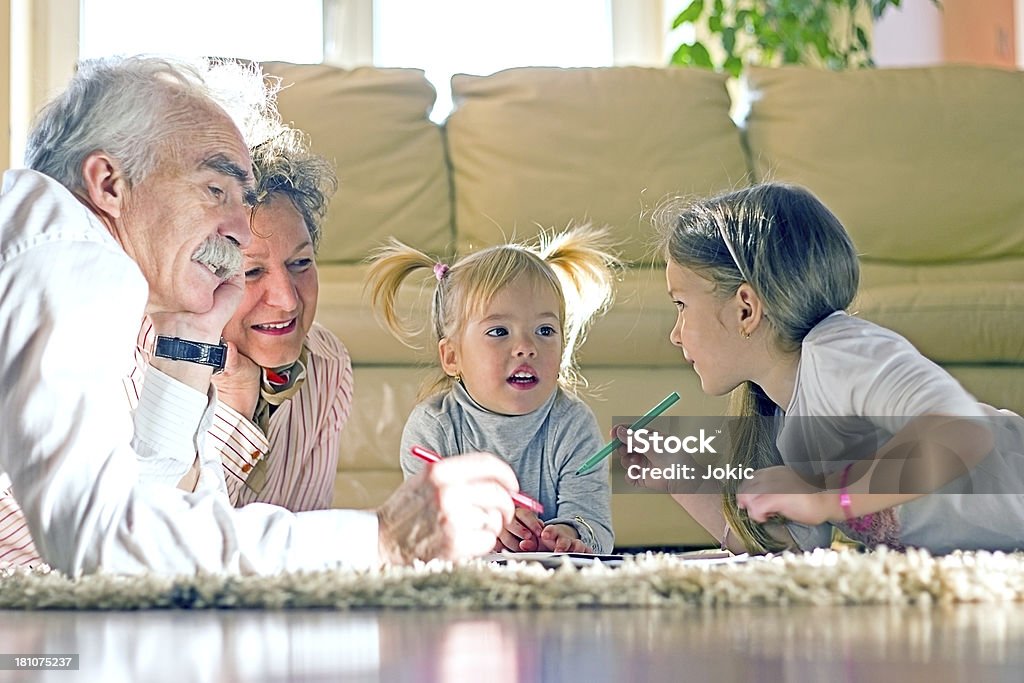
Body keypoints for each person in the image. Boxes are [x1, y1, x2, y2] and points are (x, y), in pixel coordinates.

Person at [0, 55, 519, 575]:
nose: (242, 231)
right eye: (215, 191)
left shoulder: (56, 252)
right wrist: (379, 540)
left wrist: (190, 332)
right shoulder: (68, 240)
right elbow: (98, 537)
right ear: (109, 183)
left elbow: (145, 515)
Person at [620, 182, 1024, 555]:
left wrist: (829, 497)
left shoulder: (841, 352)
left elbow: (963, 431)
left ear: (745, 308)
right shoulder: (783, 417)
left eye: (681, 305)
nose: (676, 334)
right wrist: (681, 479)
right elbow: (786, 551)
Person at [366, 226, 619, 554]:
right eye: (499, 331)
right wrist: (485, 525)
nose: (526, 347)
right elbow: (425, 531)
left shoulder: (573, 423)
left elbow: (594, 524)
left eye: (545, 330)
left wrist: (568, 533)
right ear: (452, 357)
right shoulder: (433, 426)